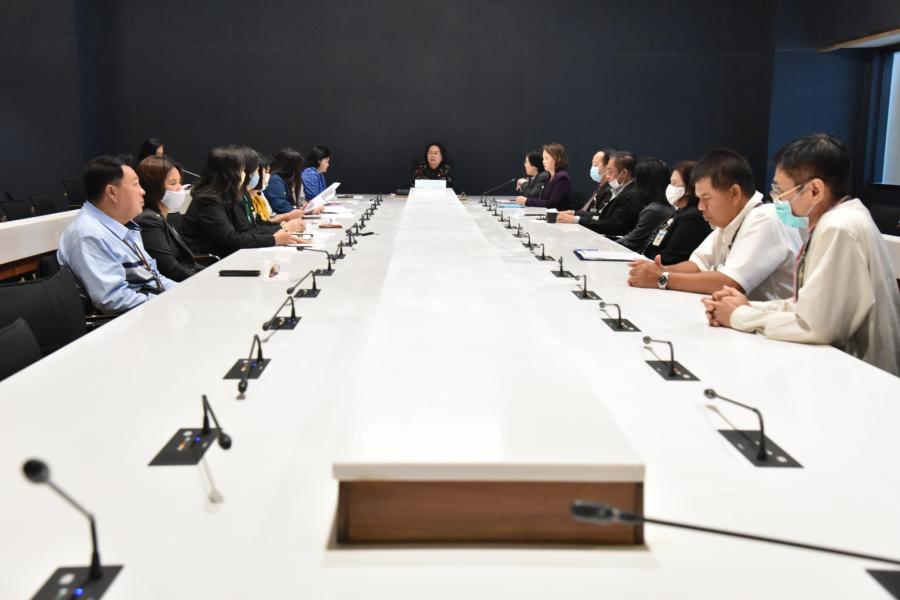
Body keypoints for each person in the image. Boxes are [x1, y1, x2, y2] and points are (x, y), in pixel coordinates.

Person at [702, 134, 900, 376]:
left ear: (815, 190)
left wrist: (739, 316)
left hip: (863, 375)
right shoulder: (839, 219)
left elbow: (816, 326)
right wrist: (748, 306)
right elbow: (807, 306)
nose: (778, 199)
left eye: (781, 190)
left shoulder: (839, 227)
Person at [627, 148, 801, 300]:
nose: (701, 207)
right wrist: (659, 270)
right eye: (699, 199)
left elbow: (731, 282)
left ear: (734, 193)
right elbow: (698, 265)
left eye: (707, 198)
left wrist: (662, 278)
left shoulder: (765, 218)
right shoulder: (730, 221)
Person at [57, 155, 176, 313]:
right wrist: (169, 302)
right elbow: (113, 299)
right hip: (129, 320)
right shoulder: (88, 235)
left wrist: (182, 292)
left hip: (149, 308)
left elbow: (153, 277)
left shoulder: (122, 225)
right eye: (136, 184)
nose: (143, 191)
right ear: (112, 192)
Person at [180, 146, 296, 257]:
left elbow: (252, 226)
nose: (245, 175)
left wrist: (281, 230)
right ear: (229, 174)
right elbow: (230, 238)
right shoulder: (208, 201)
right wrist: (274, 239)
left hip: (231, 256)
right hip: (213, 261)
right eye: (242, 170)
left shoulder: (230, 195)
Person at [134, 156, 203, 282]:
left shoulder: (167, 216)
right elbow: (171, 269)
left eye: (179, 182)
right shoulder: (148, 221)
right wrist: (203, 280)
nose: (179, 188)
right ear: (153, 187)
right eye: (173, 183)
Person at [640, 160, 711, 264]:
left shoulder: (692, 217)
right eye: (670, 183)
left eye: (674, 184)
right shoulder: (680, 211)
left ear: (689, 189)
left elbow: (672, 256)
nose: (670, 187)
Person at [558, 151, 640, 234]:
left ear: (624, 173)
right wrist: (573, 214)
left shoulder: (632, 195)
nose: (607, 176)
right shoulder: (617, 190)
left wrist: (576, 220)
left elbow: (613, 226)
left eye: (610, 171)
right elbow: (599, 214)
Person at [616, 157, 674, 251]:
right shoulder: (664, 207)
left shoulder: (653, 211)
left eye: (637, 179)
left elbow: (631, 241)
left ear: (644, 182)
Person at [517, 143, 574, 210]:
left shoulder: (562, 177)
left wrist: (527, 201)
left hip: (561, 215)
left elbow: (552, 203)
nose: (543, 162)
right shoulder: (549, 176)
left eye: (547, 158)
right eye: (543, 159)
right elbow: (542, 199)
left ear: (557, 159)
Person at [265, 148, 305, 214]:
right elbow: (280, 206)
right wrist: (304, 212)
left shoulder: (281, 180)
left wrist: (301, 210)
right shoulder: (274, 180)